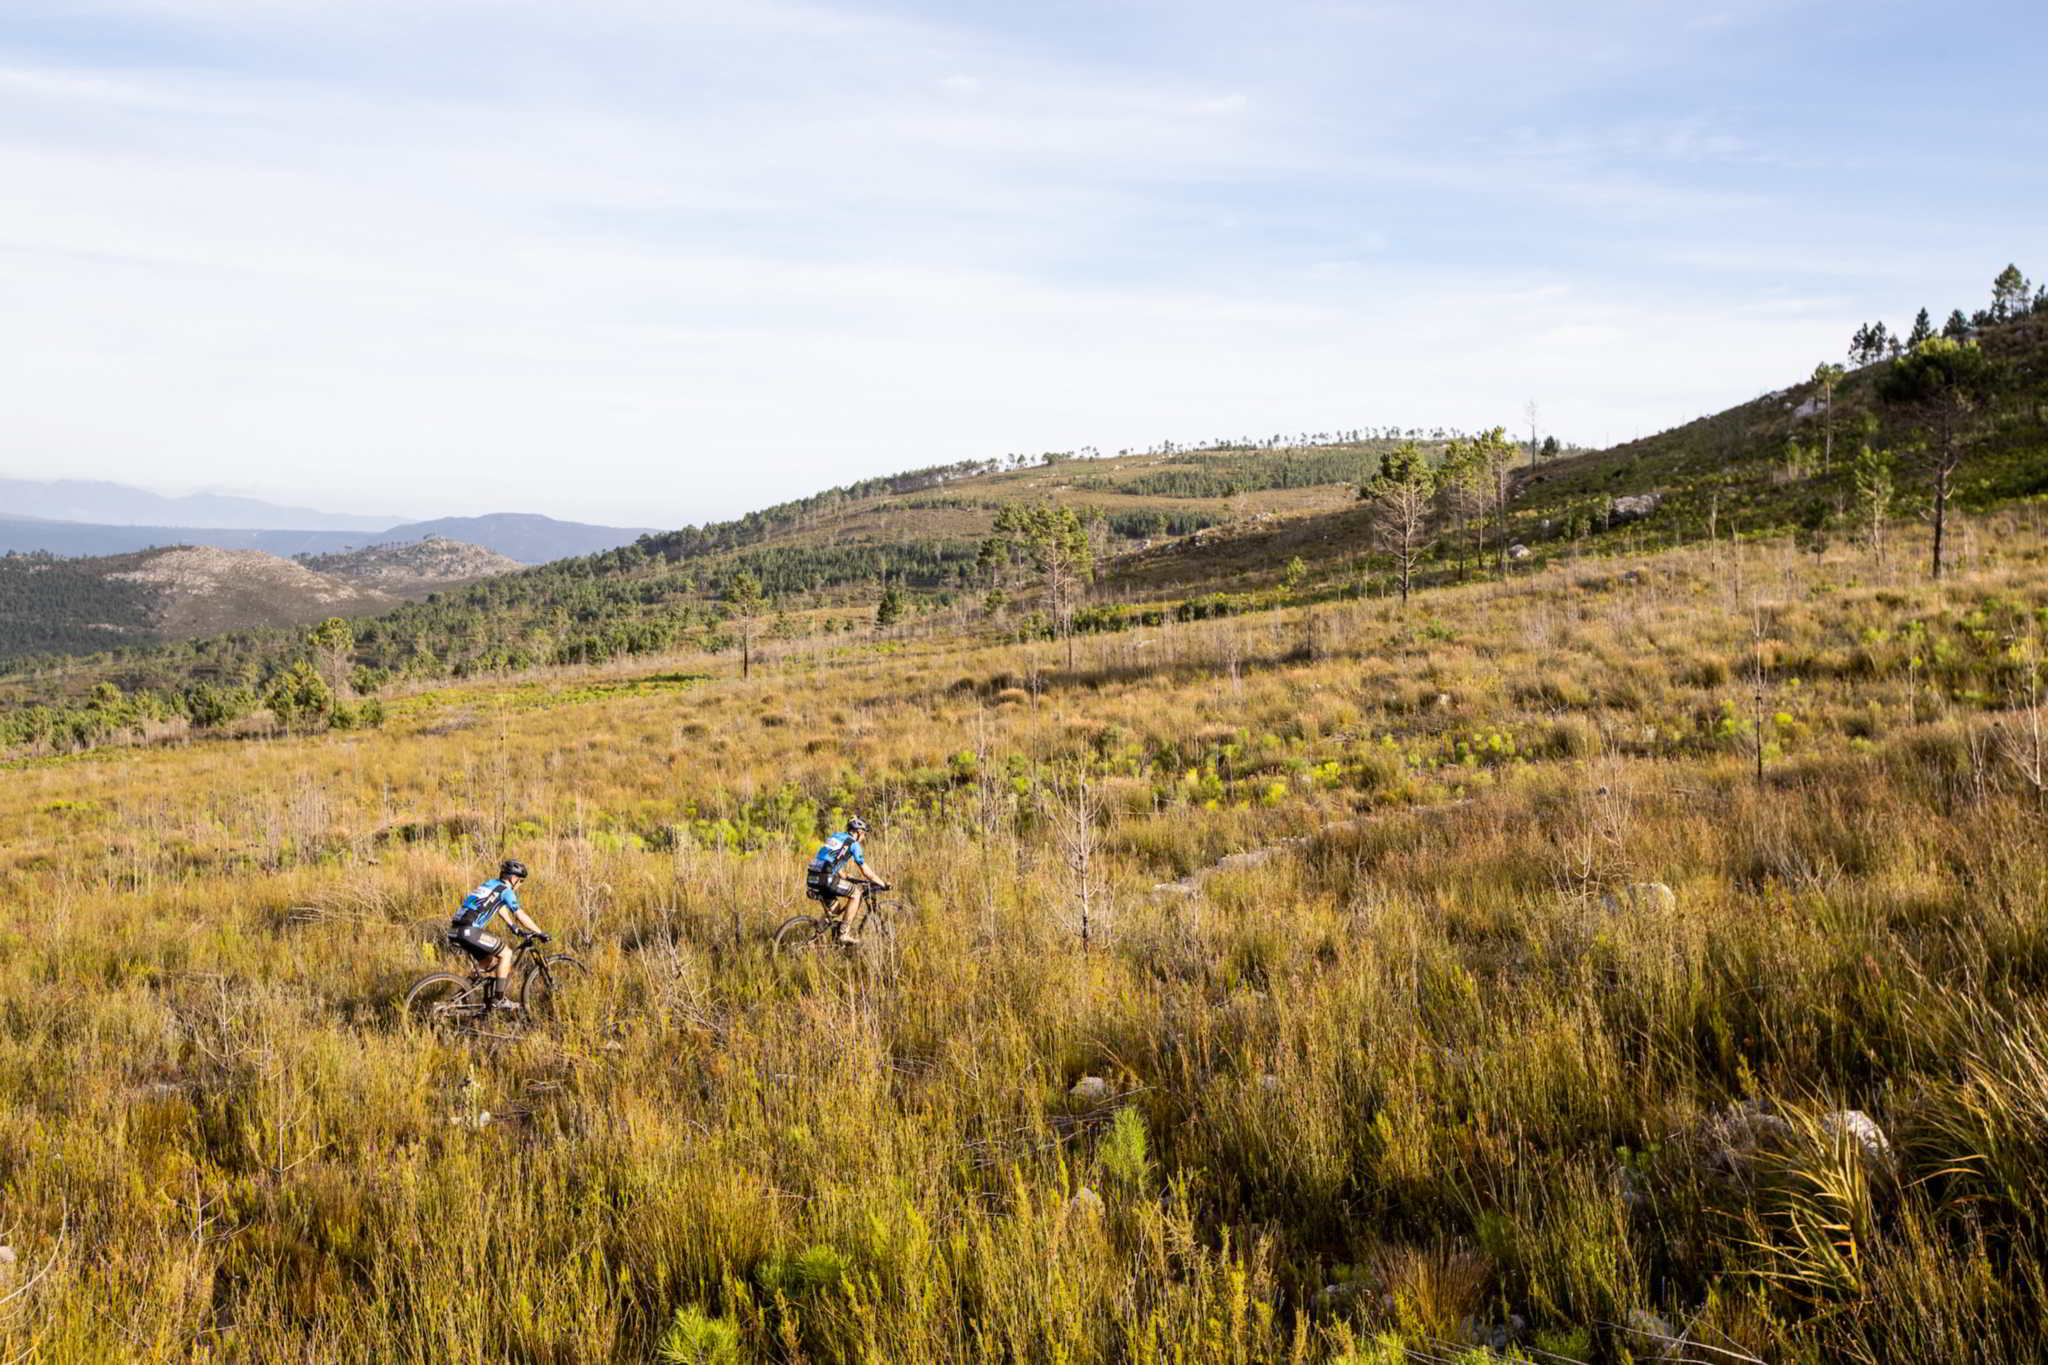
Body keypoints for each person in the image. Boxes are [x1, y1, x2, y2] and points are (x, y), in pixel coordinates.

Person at [448, 859, 548, 1009]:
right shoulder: (506, 891)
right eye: (521, 881)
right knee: (506, 954)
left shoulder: (491, 885)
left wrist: (512, 926)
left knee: (488, 962)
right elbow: (519, 914)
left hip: (456, 930)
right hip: (469, 930)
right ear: (513, 878)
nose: (520, 885)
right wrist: (539, 932)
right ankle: (499, 999)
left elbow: (499, 907)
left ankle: (460, 997)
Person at [805, 817, 889, 944]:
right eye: (864, 834)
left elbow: (830, 857)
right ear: (858, 832)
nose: (864, 838)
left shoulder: (835, 836)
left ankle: (812, 941)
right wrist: (882, 883)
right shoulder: (854, 844)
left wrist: (845, 875)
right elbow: (865, 871)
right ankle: (843, 933)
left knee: (834, 910)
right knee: (856, 894)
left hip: (812, 877)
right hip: (826, 877)